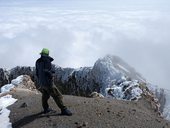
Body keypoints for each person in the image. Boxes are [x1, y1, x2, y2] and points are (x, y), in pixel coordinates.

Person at [35, 48, 72, 116]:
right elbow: (47, 71)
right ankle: (64, 109)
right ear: (47, 54)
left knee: (45, 96)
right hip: (48, 83)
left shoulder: (38, 62)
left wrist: (41, 80)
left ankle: (46, 109)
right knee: (57, 95)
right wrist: (51, 74)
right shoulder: (47, 61)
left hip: (42, 83)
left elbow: (37, 73)